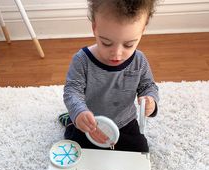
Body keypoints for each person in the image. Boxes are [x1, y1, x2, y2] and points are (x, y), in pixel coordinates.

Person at [59, 0, 159, 152]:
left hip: (125, 122)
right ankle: (71, 119)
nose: (117, 54)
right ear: (95, 27)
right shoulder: (82, 60)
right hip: (91, 122)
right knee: (77, 150)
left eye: (128, 45)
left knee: (141, 151)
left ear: (142, 31)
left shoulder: (139, 60)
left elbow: (148, 86)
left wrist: (150, 101)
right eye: (106, 43)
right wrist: (79, 112)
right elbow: (72, 90)